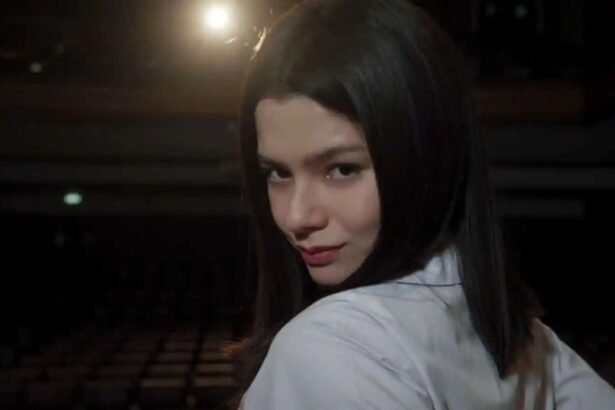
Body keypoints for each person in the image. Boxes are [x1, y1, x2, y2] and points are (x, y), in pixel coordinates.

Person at [228, 0, 615, 408]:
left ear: (428, 157)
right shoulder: (528, 341)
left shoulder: (328, 350)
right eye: (277, 173)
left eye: (342, 170)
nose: (295, 216)